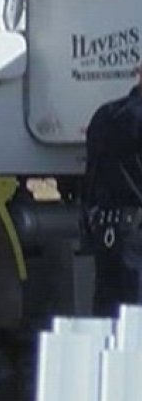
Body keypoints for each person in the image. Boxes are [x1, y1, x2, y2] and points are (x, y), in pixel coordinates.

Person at [83, 65, 142, 317]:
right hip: (136, 236)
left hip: (108, 233)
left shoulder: (103, 116)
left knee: (107, 321)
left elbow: (90, 179)